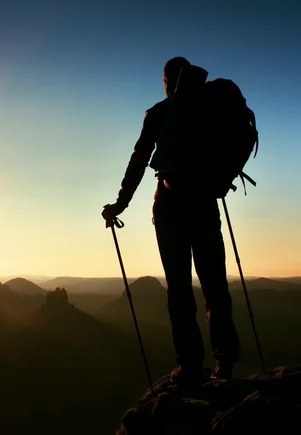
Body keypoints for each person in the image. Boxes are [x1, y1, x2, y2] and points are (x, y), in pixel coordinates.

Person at [102, 56, 240, 386]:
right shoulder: (210, 109)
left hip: (169, 203)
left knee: (178, 287)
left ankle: (190, 366)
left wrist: (120, 203)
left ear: (167, 82)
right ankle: (225, 363)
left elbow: (140, 159)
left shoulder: (159, 114)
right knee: (215, 283)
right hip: (205, 201)